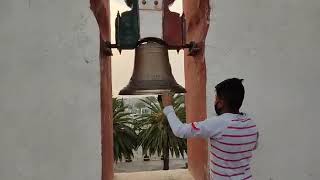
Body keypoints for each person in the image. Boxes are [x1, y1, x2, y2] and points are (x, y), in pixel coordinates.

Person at [161, 78, 258, 180]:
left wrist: (168, 107)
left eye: (216, 98)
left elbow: (180, 131)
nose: (214, 101)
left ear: (220, 103)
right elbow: (253, 146)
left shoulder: (218, 123)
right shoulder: (251, 124)